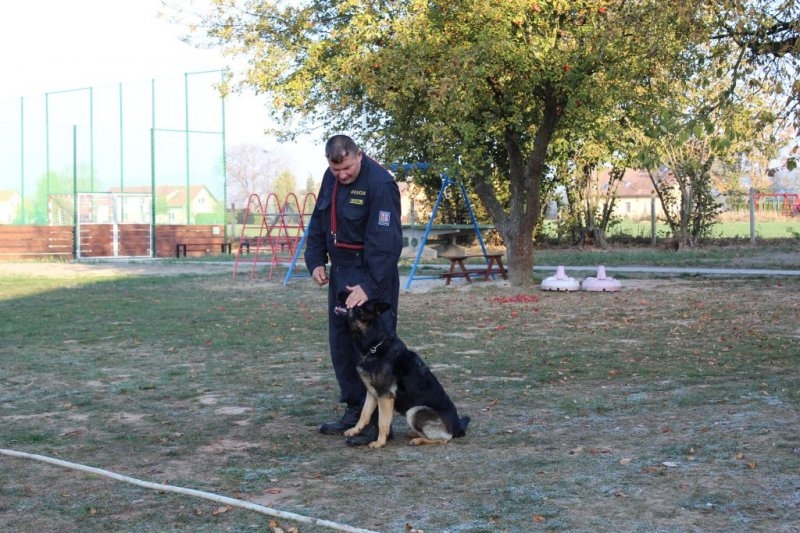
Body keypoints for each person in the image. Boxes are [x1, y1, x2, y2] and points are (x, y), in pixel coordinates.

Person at [304, 134, 403, 446]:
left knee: (374, 351)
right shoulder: (330, 178)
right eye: (336, 171)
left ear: (359, 155)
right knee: (343, 345)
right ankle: (353, 411)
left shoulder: (381, 184)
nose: (342, 175)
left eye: (347, 168)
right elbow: (319, 221)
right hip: (341, 269)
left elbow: (386, 244)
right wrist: (316, 260)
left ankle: (376, 423)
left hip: (372, 272)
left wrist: (369, 287)